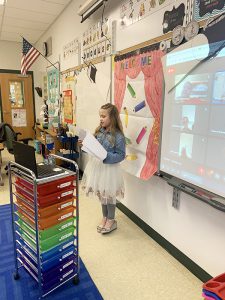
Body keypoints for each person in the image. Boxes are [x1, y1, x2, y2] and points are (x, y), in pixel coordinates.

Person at [79, 103, 126, 234]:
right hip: (98, 168)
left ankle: (111, 219)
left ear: (113, 117)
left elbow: (121, 155)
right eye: (100, 116)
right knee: (102, 194)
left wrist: (106, 156)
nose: (101, 118)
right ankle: (105, 217)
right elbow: (93, 148)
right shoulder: (98, 132)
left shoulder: (119, 136)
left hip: (109, 170)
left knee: (109, 195)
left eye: (103, 116)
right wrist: (85, 144)